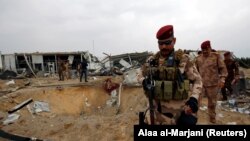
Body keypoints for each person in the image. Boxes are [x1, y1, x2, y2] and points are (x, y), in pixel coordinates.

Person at [141, 25, 203, 125]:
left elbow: (198, 80)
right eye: (160, 43)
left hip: (176, 115)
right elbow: (139, 74)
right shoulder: (151, 60)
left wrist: (193, 99)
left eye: (167, 42)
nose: (163, 46)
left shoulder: (184, 60)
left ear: (174, 40)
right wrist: (143, 81)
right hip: (154, 114)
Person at [195, 40, 228, 123]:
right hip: (201, 84)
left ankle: (212, 118)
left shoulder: (216, 56)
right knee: (195, 101)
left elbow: (223, 69)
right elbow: (195, 71)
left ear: (210, 48)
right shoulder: (198, 58)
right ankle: (193, 118)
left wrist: (222, 79)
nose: (205, 52)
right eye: (203, 50)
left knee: (212, 103)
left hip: (213, 84)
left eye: (206, 50)